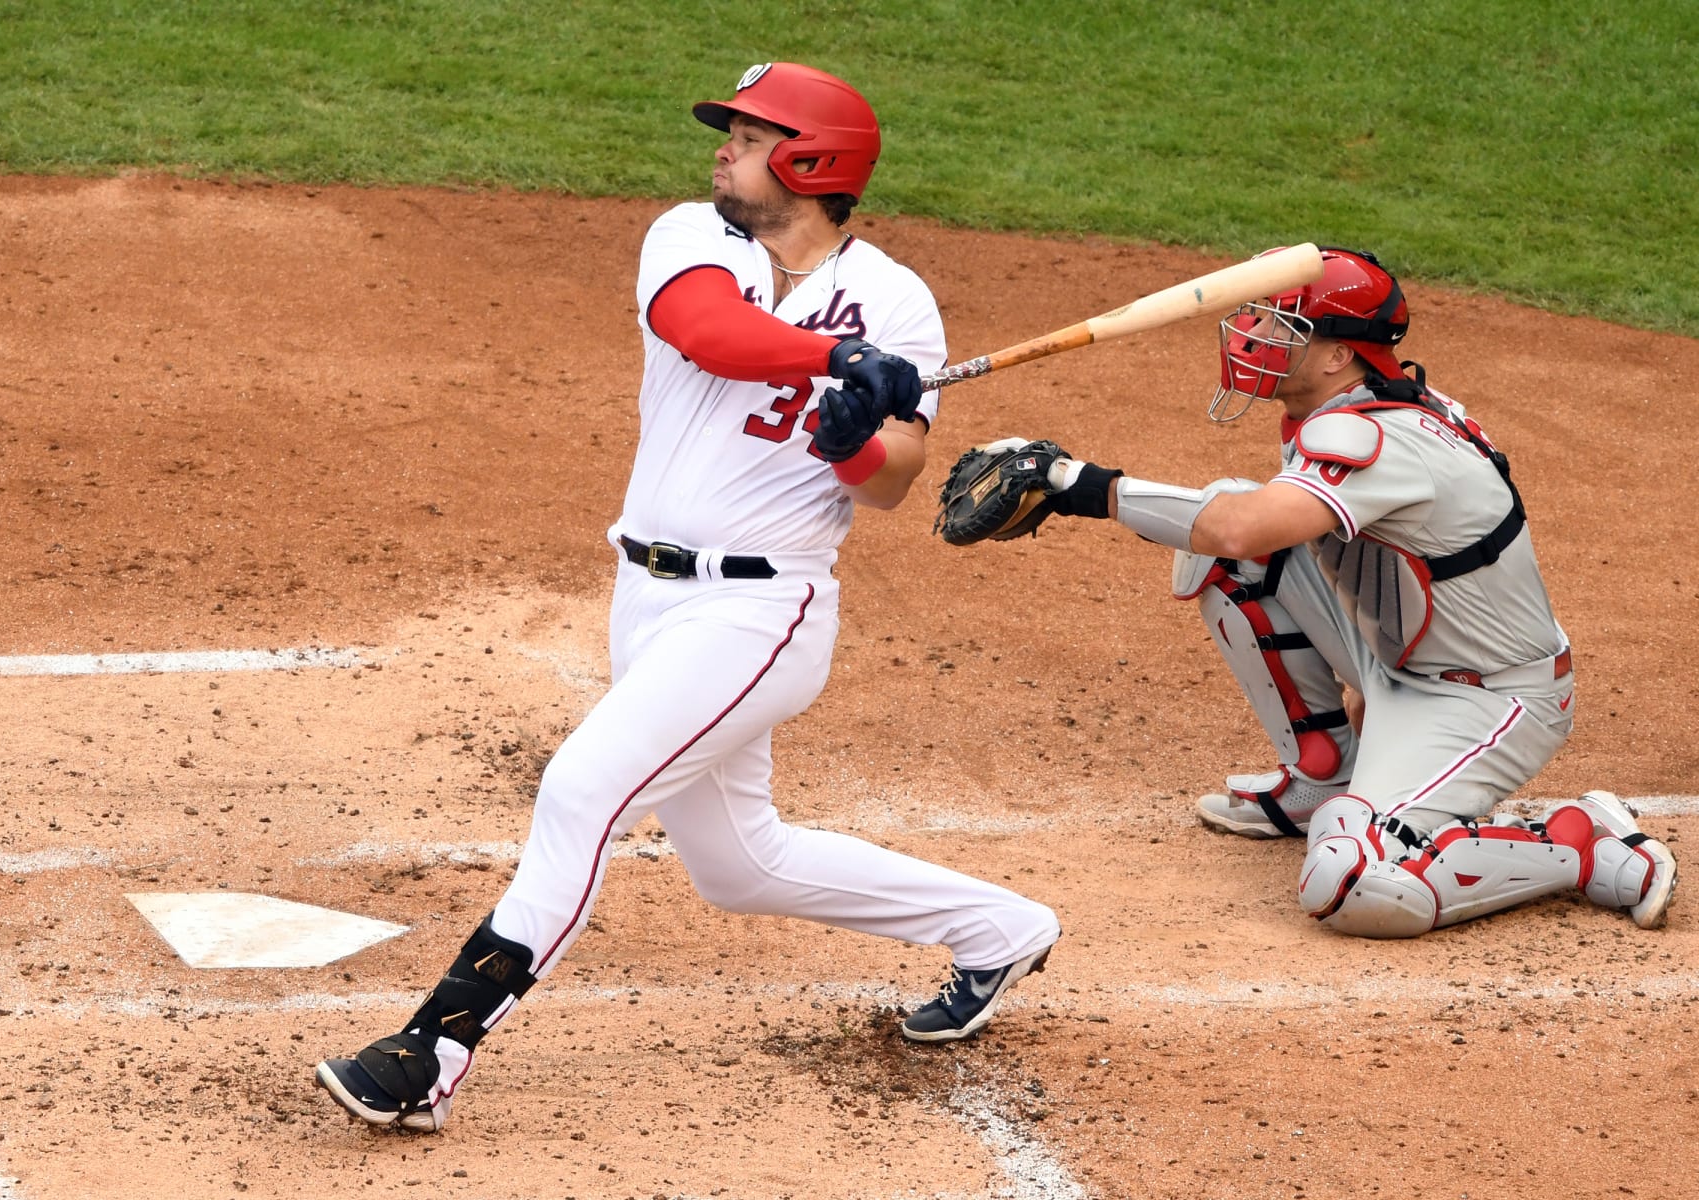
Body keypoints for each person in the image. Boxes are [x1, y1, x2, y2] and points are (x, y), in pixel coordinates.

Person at [314, 61, 1060, 1133]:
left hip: (762, 614)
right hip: (648, 597)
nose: (722, 147)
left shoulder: (899, 300)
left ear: (811, 162)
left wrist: (854, 444)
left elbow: (896, 477)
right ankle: (1000, 927)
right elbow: (707, 330)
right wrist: (834, 358)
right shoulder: (692, 236)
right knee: (739, 863)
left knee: (582, 789)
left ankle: (433, 1048)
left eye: (749, 135)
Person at [949, 246, 1676, 938]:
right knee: (1227, 550)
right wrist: (1365, 676)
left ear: (1337, 353)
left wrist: (1076, 484)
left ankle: (1584, 845)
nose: (1256, 333)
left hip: (1486, 697)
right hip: (1401, 657)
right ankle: (1324, 774)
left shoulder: (1376, 438)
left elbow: (1238, 527)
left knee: (1352, 883)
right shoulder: (1341, 408)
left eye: (1281, 323)